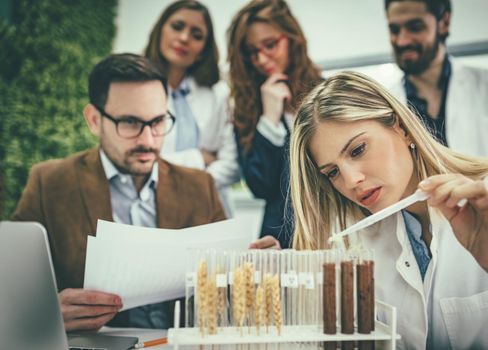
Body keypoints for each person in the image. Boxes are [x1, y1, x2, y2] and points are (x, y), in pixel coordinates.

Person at [288, 71, 488, 349]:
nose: (351, 181)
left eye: (357, 150)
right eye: (332, 172)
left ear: (400, 127)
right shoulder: (353, 242)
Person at [12, 53, 225, 331]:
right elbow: (12, 289)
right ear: (94, 120)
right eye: (130, 123)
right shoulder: (50, 183)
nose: (148, 140)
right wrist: (48, 312)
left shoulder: (200, 187)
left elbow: (226, 282)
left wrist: (255, 262)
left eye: (158, 121)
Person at [227, 0, 322, 248]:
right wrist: (269, 117)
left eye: (270, 45)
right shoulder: (247, 106)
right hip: (281, 238)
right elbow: (260, 186)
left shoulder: (325, 91)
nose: (261, 58)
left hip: (331, 227)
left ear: (292, 38)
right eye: (251, 52)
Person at [384, 0, 488, 158]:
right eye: (394, 30)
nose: (403, 40)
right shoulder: (383, 105)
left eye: (415, 27)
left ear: (444, 23)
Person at [145, 0, 239, 216]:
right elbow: (140, 163)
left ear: (204, 49)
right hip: (151, 208)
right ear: (160, 29)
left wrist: (187, 184)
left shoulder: (219, 94)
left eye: (197, 35)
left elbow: (232, 166)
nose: (185, 38)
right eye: (177, 27)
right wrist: (199, 158)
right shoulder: (137, 90)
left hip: (209, 207)